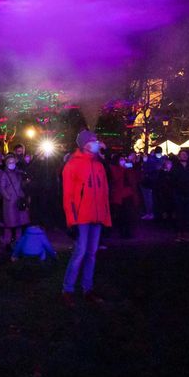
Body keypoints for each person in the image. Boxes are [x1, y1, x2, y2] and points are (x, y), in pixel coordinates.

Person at [60, 130, 111, 306]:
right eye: (94, 140)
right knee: (80, 253)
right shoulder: (72, 165)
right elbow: (68, 196)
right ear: (84, 144)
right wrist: (71, 221)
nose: (97, 142)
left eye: (97, 140)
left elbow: (105, 192)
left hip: (96, 217)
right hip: (81, 217)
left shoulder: (99, 165)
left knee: (92, 253)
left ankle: (87, 288)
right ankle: (68, 289)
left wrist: (105, 215)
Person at [0, 154, 30, 247]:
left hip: (18, 200)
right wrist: (8, 197)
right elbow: (2, 188)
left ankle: (18, 242)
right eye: (9, 162)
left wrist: (25, 183)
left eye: (13, 162)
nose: (12, 164)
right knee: (9, 223)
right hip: (10, 202)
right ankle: (7, 241)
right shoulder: (4, 174)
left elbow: (21, 185)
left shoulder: (18, 173)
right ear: (6, 164)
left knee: (19, 222)